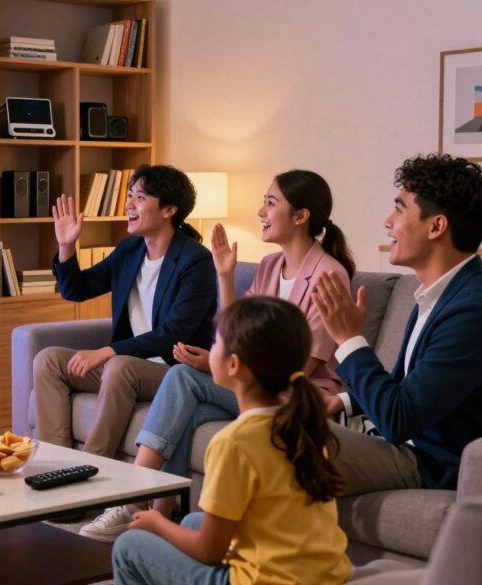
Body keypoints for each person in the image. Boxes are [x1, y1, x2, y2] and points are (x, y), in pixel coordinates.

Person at [81, 169, 356, 541]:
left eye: (270, 203)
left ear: (301, 216)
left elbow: (296, 367)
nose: (261, 210)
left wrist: (215, 365)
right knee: (187, 409)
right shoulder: (272, 266)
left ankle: (133, 499)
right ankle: (162, 515)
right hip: (258, 387)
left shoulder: (328, 275)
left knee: (181, 378)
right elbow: (235, 331)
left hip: (292, 395)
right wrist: (225, 276)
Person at [312, 153, 482, 493]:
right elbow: (406, 384)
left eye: (399, 209)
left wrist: (349, 339)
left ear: (436, 226)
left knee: (278, 442)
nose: (388, 221)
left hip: (432, 462)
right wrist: (341, 402)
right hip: (405, 444)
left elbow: (398, 420)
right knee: (270, 420)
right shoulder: (439, 294)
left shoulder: (475, 313)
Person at [112, 297, 352, 585]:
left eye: (216, 342)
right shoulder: (305, 425)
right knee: (191, 522)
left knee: (129, 547)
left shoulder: (234, 442)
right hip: (325, 577)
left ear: (234, 365)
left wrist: (158, 523)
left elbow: (209, 551)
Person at [33, 165, 218, 461]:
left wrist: (107, 351)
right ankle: (54, 464)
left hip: (173, 369)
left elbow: (173, 333)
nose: (129, 204)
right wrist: (66, 246)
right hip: (131, 366)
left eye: (140, 198)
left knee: (120, 366)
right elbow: (77, 290)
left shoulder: (196, 261)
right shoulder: (129, 250)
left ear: (169, 209)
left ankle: (90, 469)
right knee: (50, 360)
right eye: (129, 195)